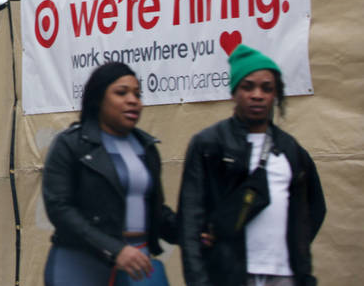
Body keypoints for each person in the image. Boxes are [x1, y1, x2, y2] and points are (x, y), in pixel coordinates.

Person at [178, 44, 325, 286]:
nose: (257, 95)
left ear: (275, 95)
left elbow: (314, 208)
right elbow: (190, 219)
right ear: (234, 92)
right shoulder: (209, 144)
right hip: (228, 275)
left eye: (266, 88)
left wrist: (296, 251)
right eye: (248, 87)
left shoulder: (291, 150)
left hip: (285, 275)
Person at [42, 62, 177, 285]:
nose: (133, 100)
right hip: (80, 261)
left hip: (137, 262)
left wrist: (190, 232)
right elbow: (60, 209)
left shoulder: (146, 147)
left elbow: (153, 209)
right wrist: (115, 249)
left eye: (137, 94)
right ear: (98, 99)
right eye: (121, 93)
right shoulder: (71, 144)